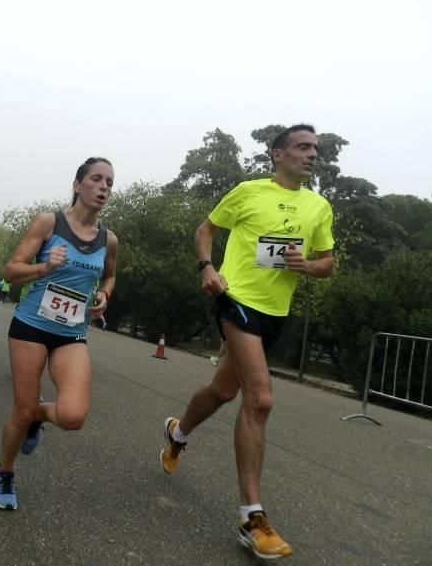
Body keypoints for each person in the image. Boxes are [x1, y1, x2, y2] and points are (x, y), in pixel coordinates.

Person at [159, 125, 335, 559]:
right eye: (303, 147)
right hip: (234, 299)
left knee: (223, 390)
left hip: (277, 312)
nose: (313, 154)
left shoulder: (319, 207)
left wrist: (306, 265)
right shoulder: (247, 192)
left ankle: (178, 432)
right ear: (277, 154)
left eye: (316, 149)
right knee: (260, 400)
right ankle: (251, 518)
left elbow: (328, 262)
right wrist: (206, 268)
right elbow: (205, 230)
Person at [0, 157, 118, 511]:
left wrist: (105, 294)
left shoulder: (109, 239)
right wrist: (45, 267)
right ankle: (5, 471)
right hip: (31, 326)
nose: (104, 186)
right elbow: (11, 271)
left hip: (72, 333)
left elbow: (110, 275)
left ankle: (38, 416)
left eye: (109, 181)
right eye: (96, 178)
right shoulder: (50, 223)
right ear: (78, 185)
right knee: (20, 411)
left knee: (73, 416)